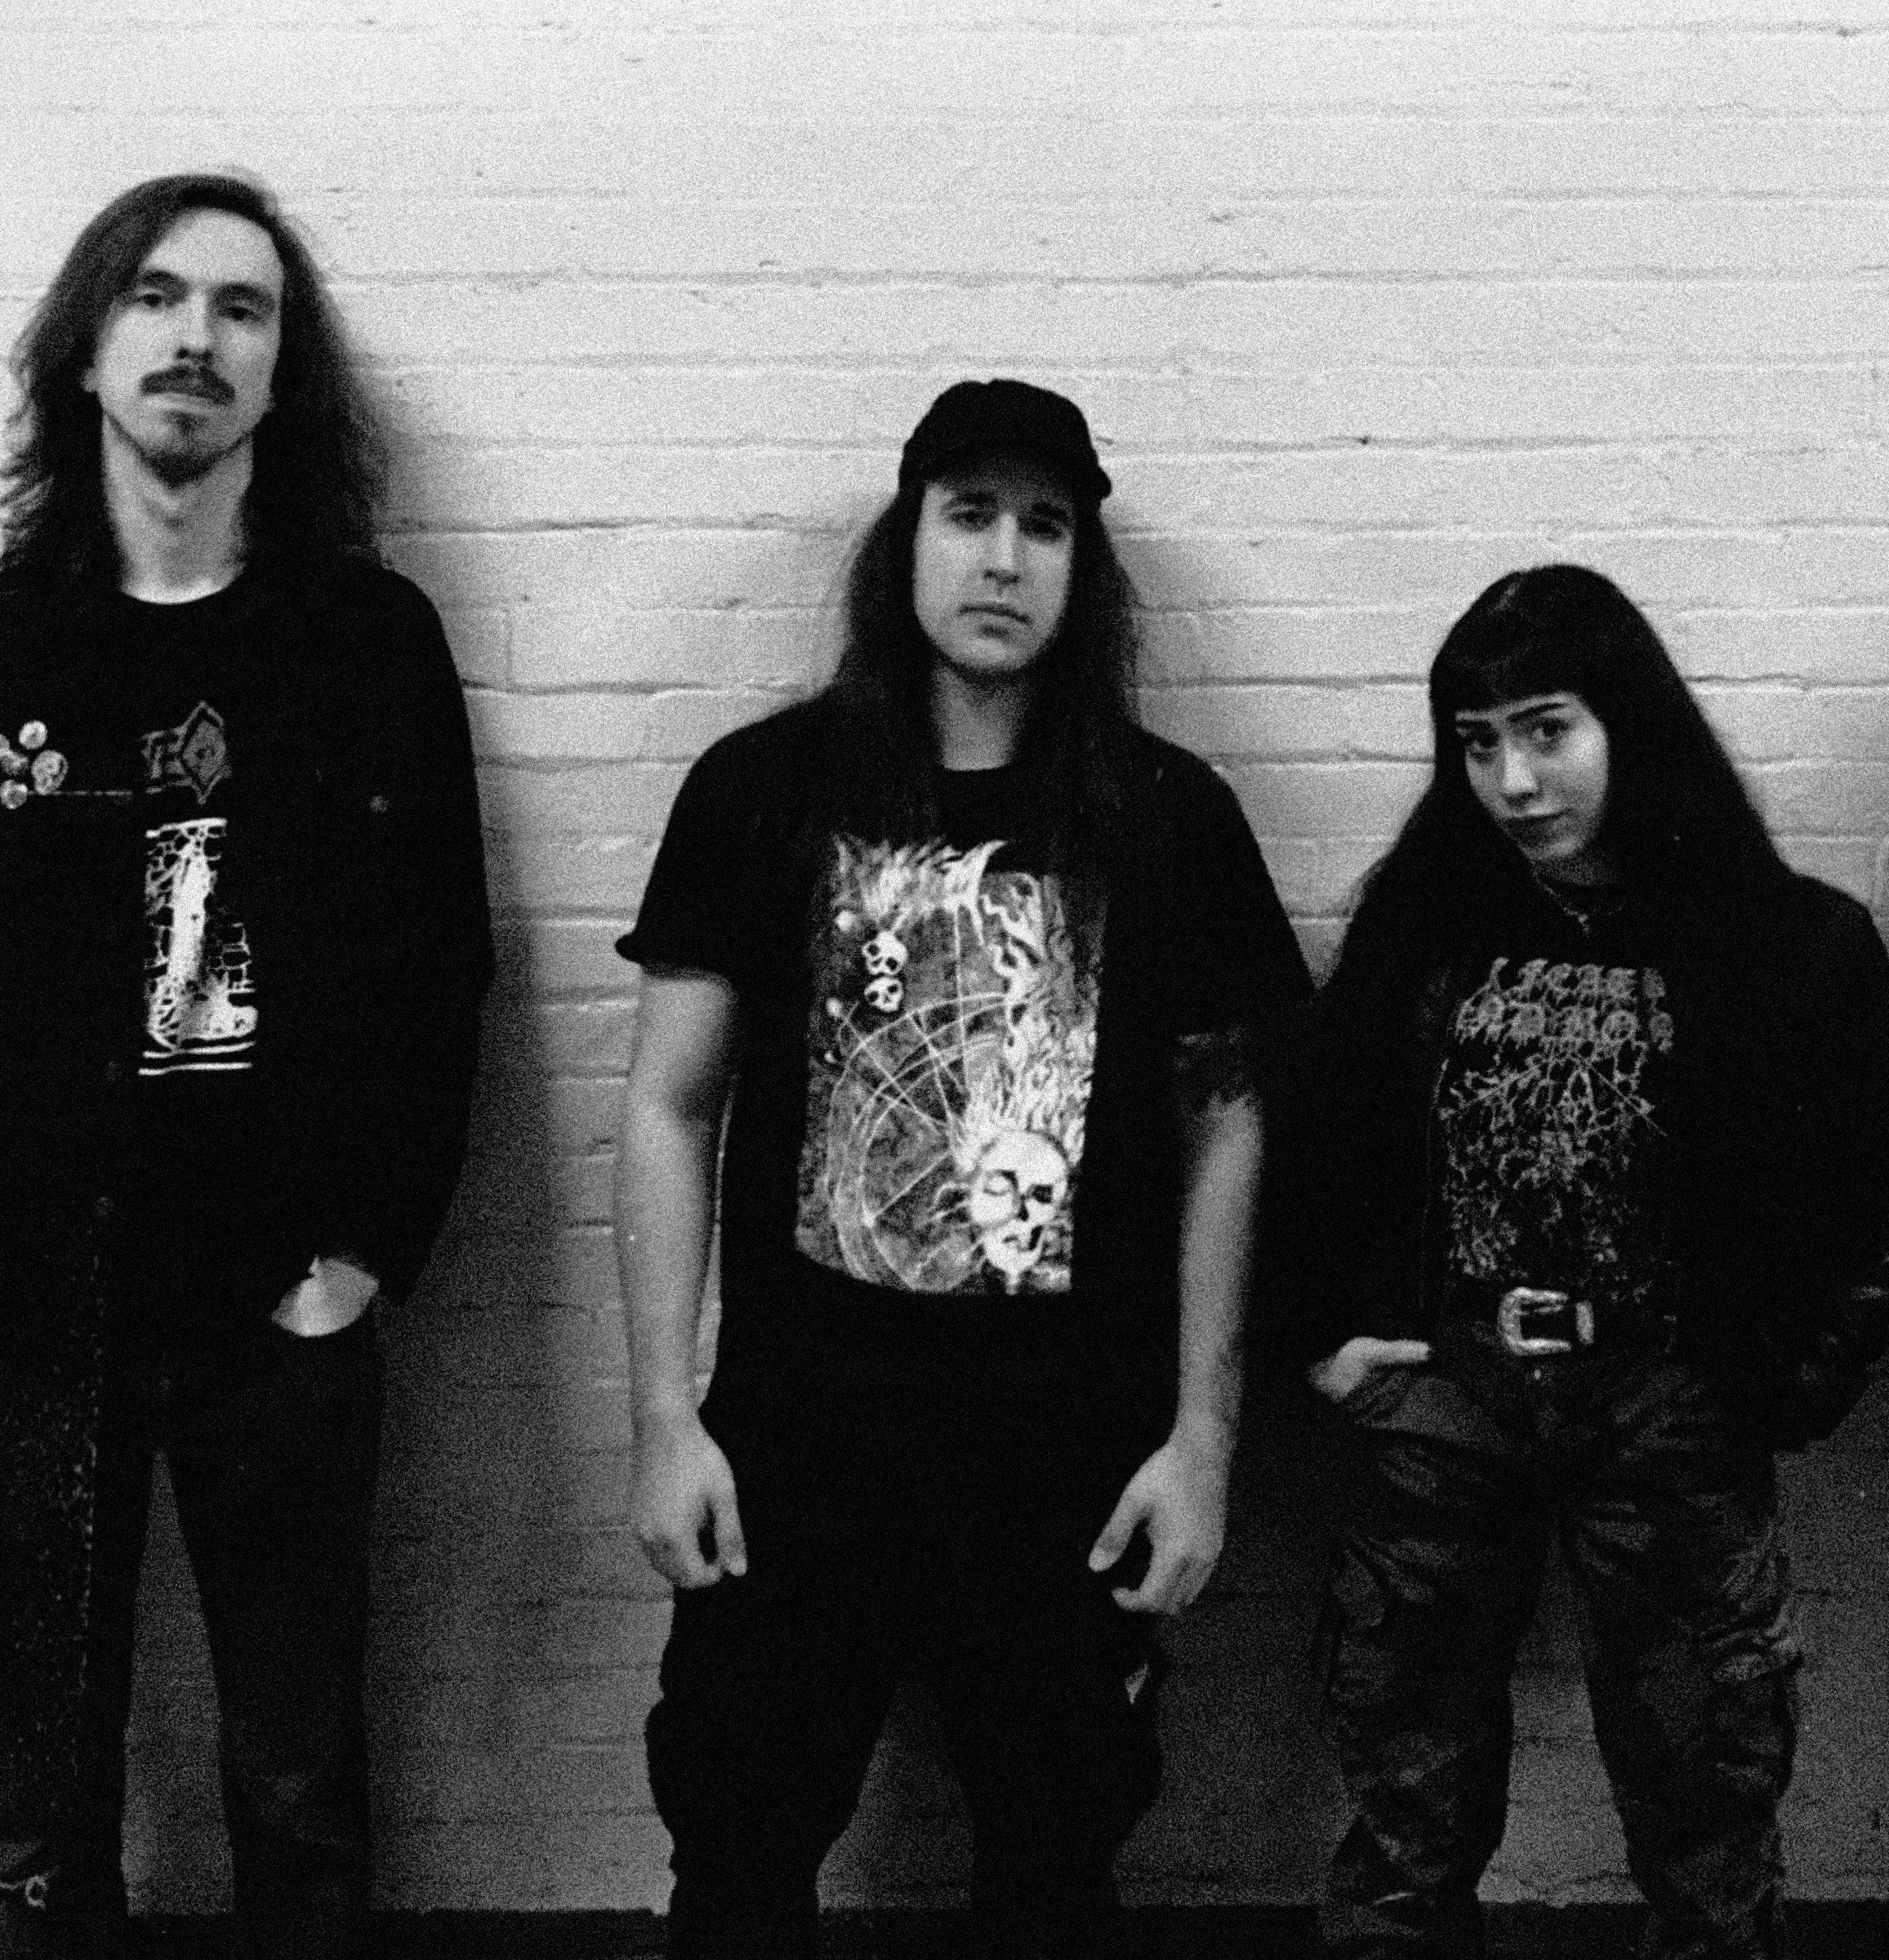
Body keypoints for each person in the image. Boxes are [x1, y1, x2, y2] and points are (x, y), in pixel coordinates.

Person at [0, 172, 492, 1957]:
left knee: (301, 1797)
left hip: (283, 1313)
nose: (197, 339)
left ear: (283, 371)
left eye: (243, 308)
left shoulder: (367, 649)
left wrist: (364, 1253)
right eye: (157, 297)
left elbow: (443, 979)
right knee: (41, 1815)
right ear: (85, 350)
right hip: (21, 1326)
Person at [615, 378, 1309, 1959]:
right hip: (799, 1443)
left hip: (1068, 1457)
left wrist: (1203, 1440)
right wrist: (662, 1418)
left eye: (1045, 526)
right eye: (970, 514)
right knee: (737, 1852)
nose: (1004, 558)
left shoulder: (1169, 817)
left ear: (1084, 570)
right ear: (907, 539)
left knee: (1056, 1867)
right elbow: (667, 1108)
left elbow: (1227, 1127)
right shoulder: (762, 791)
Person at [1271, 564, 1889, 1959]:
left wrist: (1784, 1382)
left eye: (1549, 730)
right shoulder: (1421, 930)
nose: (1514, 781)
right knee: (1404, 1812)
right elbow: (1317, 1141)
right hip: (1450, 1400)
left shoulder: (1785, 939)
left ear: (1630, 722)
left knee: (1709, 1814)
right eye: (1478, 742)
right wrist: (1329, 1336)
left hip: (1665, 1404)